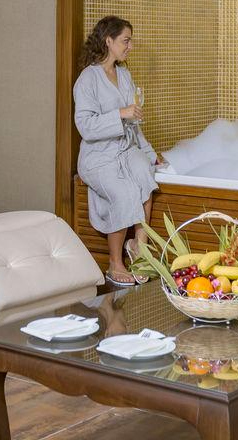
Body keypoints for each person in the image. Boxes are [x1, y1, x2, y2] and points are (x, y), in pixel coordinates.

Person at [73, 16, 164, 287]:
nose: (130, 46)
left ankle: (139, 246)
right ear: (108, 41)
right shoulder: (87, 79)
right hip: (98, 155)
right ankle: (115, 263)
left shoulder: (124, 75)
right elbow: (85, 126)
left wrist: (150, 154)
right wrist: (120, 113)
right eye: (126, 40)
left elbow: (134, 125)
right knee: (124, 193)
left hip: (125, 148)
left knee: (145, 175)